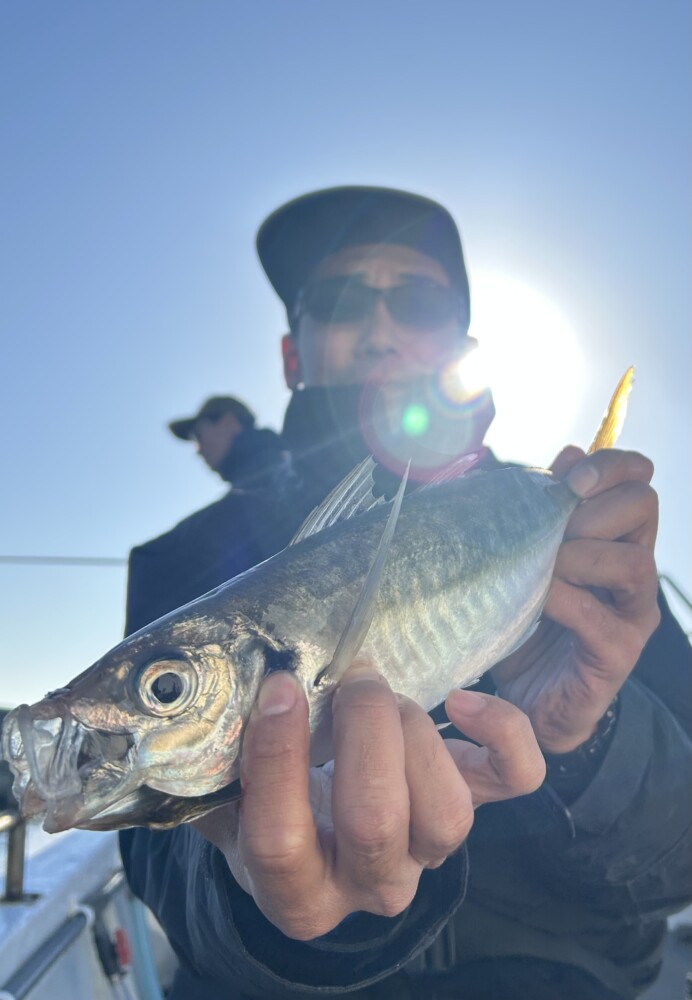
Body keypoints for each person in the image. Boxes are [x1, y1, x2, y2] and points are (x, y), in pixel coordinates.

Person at [121, 186, 692, 999]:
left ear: (464, 345)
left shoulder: (581, 544)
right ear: (293, 352)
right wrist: (257, 892)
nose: (382, 330)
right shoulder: (190, 556)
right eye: (344, 301)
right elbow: (154, 842)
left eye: (418, 302)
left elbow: (684, 860)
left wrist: (590, 736)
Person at [125, 395, 287, 633]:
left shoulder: (278, 467)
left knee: (149, 559)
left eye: (199, 437)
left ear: (230, 422)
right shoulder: (261, 470)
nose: (198, 451)